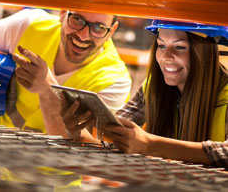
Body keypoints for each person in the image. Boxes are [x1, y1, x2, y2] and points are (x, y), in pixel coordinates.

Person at [61, 19, 228, 168]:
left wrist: (150, 145)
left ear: (205, 52)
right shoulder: (152, 87)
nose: (166, 57)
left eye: (179, 47)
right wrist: (80, 132)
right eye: (162, 45)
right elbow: (119, 133)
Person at [0, 8, 131, 136]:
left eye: (99, 28)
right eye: (77, 19)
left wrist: (46, 88)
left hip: (50, 179)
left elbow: (81, 145)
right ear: (63, 13)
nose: (84, 35)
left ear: (112, 31)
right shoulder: (29, 25)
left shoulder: (114, 81)